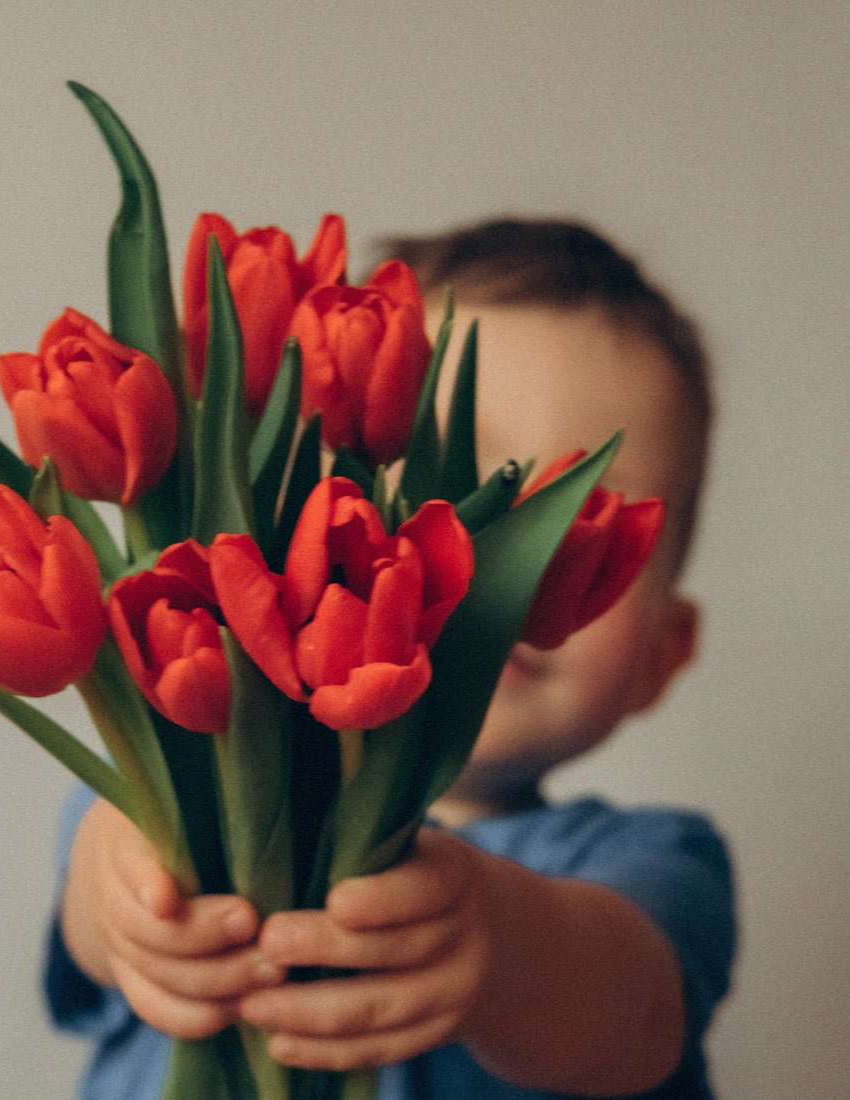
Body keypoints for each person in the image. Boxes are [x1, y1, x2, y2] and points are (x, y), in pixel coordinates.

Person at [44, 218, 735, 1099]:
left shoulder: (648, 860)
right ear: (300, 536)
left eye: (574, 519)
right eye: (449, 485)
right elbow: (95, 924)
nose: (497, 560)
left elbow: (635, 1018)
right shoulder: (180, 790)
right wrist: (133, 892)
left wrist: (505, 943)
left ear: (663, 655)